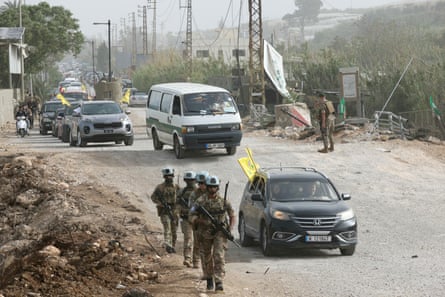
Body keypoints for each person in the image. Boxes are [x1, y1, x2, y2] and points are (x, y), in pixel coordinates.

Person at [190, 175, 236, 292]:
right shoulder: (200, 201)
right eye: (210, 187)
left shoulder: (223, 201)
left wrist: (230, 228)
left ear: (217, 187)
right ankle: (209, 278)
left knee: (219, 256)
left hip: (219, 232)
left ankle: (219, 281)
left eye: (214, 187)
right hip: (205, 232)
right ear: (207, 187)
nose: (212, 189)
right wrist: (201, 221)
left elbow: (232, 215)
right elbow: (191, 215)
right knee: (207, 256)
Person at [150, 167, 180, 253]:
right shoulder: (160, 187)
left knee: (174, 231)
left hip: (174, 211)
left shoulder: (176, 187)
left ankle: (172, 246)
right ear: (164, 177)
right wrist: (161, 204)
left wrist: (178, 207)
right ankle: (168, 246)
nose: (169, 177)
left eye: (170, 176)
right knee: (167, 229)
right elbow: (153, 197)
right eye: (167, 176)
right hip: (164, 211)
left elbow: (181, 198)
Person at [189, 171, 209, 269]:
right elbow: (191, 207)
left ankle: (207, 263)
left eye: (203, 183)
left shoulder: (211, 193)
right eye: (200, 183)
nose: (202, 186)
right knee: (197, 242)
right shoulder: (194, 193)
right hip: (198, 220)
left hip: (209, 221)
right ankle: (196, 261)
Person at [177, 171, 197, 267]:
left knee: (198, 240)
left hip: (198, 220)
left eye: (191, 180)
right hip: (186, 219)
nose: (190, 182)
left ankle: (196, 260)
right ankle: (188, 258)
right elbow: (176, 204)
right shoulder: (182, 192)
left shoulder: (200, 193)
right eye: (188, 180)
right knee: (188, 239)